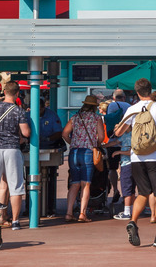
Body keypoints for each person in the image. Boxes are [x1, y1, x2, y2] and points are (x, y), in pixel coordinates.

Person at [113, 79, 156, 248]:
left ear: (137, 92)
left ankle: (133, 221)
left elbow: (118, 132)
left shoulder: (131, 109)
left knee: (143, 193)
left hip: (136, 158)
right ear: (150, 90)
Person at [0, 81, 31, 231]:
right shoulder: (18, 110)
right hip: (12, 150)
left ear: (4, 91)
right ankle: (15, 221)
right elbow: (26, 132)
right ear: (17, 94)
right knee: (16, 186)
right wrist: (24, 138)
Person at [62, 95, 105, 224]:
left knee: (74, 183)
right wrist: (94, 144)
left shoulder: (75, 117)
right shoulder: (97, 118)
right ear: (94, 107)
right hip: (88, 152)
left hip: (74, 152)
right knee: (85, 184)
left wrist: (74, 142)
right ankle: (82, 214)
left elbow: (64, 133)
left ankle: (69, 213)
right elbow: (102, 137)